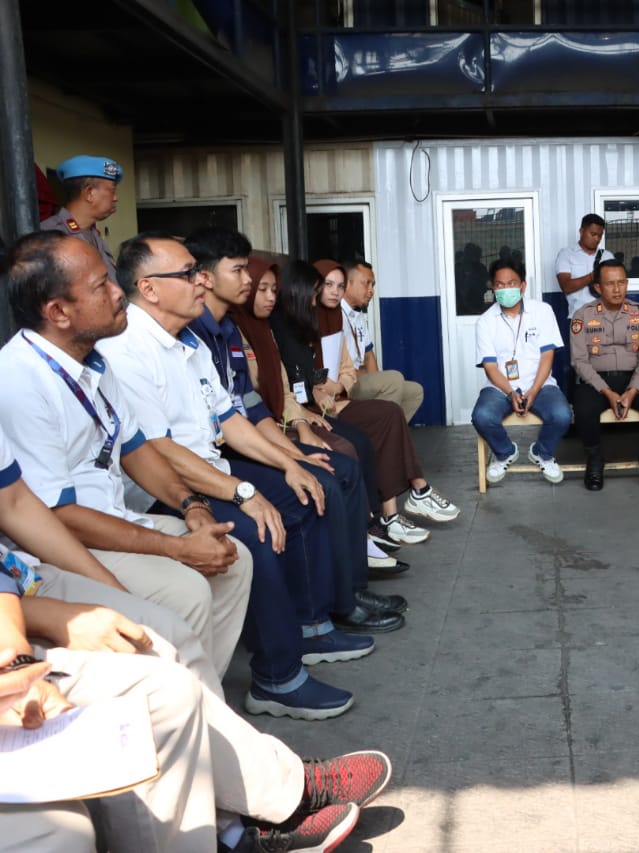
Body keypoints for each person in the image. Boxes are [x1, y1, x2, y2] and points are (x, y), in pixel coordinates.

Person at [0, 434, 393, 853]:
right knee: (159, 690)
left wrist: (195, 506)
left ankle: (235, 817)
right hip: (34, 590)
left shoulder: (99, 371)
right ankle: (273, 794)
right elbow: (64, 507)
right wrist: (20, 657)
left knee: (158, 640)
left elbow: (15, 504)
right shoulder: (29, 375)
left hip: (18, 586)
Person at [99, 233, 370, 720]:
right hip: (165, 493)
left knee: (303, 494)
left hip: (213, 470)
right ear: (150, 288)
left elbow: (231, 421)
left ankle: (308, 629)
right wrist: (241, 492)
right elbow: (159, 451)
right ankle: (276, 677)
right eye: (188, 273)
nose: (200, 279)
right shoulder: (126, 349)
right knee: (256, 534)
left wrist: (291, 463)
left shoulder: (189, 343)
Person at [0, 231, 252, 678]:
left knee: (233, 558)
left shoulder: (94, 360)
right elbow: (55, 514)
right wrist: (175, 549)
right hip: (67, 541)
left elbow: (135, 450)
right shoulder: (19, 379)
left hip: (114, 518)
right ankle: (188, 707)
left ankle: (200, 703)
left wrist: (192, 507)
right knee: (187, 588)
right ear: (57, 312)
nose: (120, 292)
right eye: (101, 286)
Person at [184, 230, 404, 635]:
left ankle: (350, 590)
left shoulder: (233, 331)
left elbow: (250, 402)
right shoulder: (198, 335)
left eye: (270, 287)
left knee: (336, 467)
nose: (259, 290)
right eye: (245, 275)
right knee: (325, 479)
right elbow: (223, 422)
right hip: (214, 460)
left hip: (250, 438)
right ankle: (327, 609)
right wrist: (290, 455)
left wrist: (295, 446)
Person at [231, 258, 406, 576]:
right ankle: (357, 552)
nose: (270, 296)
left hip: (300, 415)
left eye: (273, 289)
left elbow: (295, 385)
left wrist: (314, 408)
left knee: (365, 438)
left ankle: (371, 530)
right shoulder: (248, 331)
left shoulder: (283, 326)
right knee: (342, 455)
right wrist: (302, 422)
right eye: (263, 288)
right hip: (276, 427)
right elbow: (268, 396)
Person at [273, 260, 458, 541]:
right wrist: (318, 395)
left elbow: (348, 368)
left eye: (339, 286)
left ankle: (404, 501)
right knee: (386, 415)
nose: (334, 292)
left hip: (338, 398)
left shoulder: (333, 319)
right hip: (316, 409)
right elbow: (298, 384)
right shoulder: (295, 326)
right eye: (326, 286)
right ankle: (401, 504)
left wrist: (336, 386)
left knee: (392, 410)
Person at [569, 259, 639, 490]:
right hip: (596, 381)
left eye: (621, 282)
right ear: (598, 288)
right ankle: (594, 459)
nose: (617, 289)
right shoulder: (582, 316)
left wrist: (632, 391)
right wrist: (608, 392)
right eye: (610, 284)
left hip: (632, 378)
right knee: (583, 407)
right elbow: (579, 361)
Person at [474, 259, 572, 484]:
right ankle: (505, 452)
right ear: (493, 287)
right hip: (500, 388)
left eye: (511, 283)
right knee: (482, 416)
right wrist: (510, 393)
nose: (505, 289)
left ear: (523, 286)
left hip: (541, 383)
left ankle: (542, 453)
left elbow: (548, 355)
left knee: (562, 415)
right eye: (499, 284)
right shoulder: (486, 322)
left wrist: (535, 390)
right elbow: (490, 367)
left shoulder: (542, 311)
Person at [336, 259, 425, 420]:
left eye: (373, 285)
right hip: (345, 382)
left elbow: (369, 355)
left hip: (361, 379)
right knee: (394, 378)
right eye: (366, 283)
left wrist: (375, 381)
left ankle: (389, 433)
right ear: (347, 284)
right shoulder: (336, 314)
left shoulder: (359, 315)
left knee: (414, 391)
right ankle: (383, 433)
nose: (371, 290)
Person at [39, 155, 123, 280]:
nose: (116, 198)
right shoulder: (48, 235)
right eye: (112, 190)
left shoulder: (94, 234)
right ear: (89, 192)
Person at [555, 213, 615, 317]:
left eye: (600, 236)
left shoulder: (607, 256)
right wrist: (593, 276)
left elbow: (615, 286)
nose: (597, 239)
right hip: (579, 317)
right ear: (581, 231)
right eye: (593, 234)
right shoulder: (566, 255)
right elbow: (566, 286)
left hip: (606, 317)